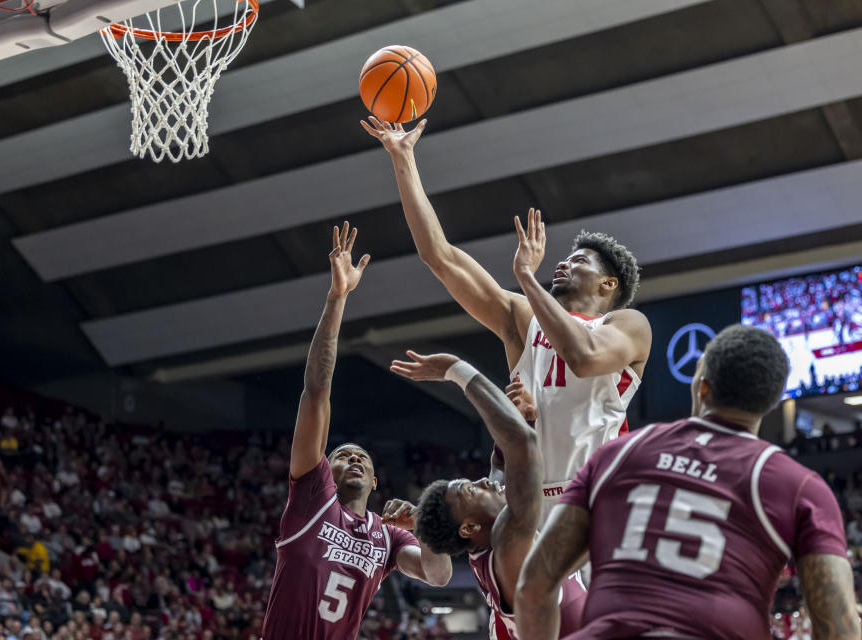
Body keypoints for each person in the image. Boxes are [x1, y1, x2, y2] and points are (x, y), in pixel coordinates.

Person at [362, 118, 651, 511]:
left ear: (608, 284)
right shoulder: (522, 317)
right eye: (565, 258)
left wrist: (526, 277)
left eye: (579, 260)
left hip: (598, 500)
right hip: (527, 507)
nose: (564, 263)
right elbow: (440, 257)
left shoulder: (626, 325)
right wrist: (403, 158)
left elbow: (584, 359)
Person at [514, 325, 859, 640]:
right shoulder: (799, 485)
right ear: (769, 402)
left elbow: (534, 583)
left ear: (702, 385)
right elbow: (839, 629)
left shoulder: (619, 454)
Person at [260, 222, 452, 640]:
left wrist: (426, 524)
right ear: (323, 471)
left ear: (376, 479)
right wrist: (337, 298)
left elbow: (438, 576)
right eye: (342, 454)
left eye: (362, 457)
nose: (354, 458)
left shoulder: (388, 537)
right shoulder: (313, 498)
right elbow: (316, 391)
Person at [382, 351, 586, 639]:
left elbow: (500, 464)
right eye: (470, 489)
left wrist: (519, 416)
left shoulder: (487, 542)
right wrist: (456, 370)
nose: (482, 481)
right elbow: (522, 445)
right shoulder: (507, 541)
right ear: (468, 526)